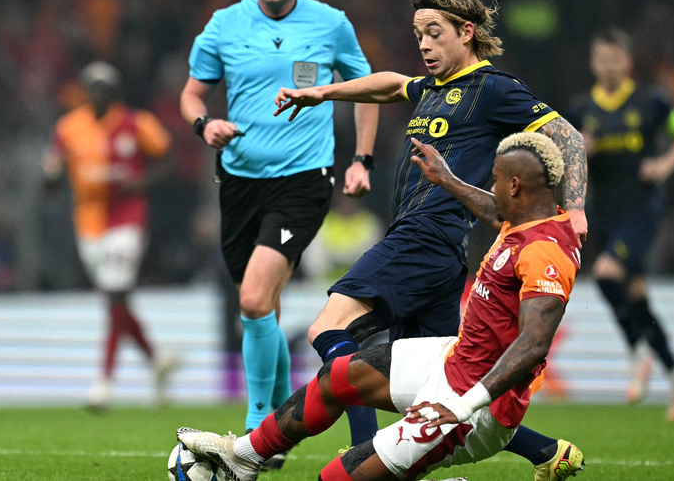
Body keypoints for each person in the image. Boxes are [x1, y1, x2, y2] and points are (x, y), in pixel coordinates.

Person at [272, 0, 587, 479]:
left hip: (425, 235)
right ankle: (545, 451)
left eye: (434, 33)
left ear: (467, 32)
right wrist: (322, 93)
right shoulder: (431, 89)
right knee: (435, 384)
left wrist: (576, 207)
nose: (423, 43)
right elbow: (389, 85)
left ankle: (357, 454)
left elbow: (567, 135)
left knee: (329, 331)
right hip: (442, 250)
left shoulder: (493, 89)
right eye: (419, 34)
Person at [177, 131, 584, 481]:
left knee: (333, 478)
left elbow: (533, 345)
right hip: (452, 359)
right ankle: (243, 457)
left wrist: (463, 405)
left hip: (475, 409)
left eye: (495, 179)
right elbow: (495, 211)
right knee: (337, 377)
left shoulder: (545, 253)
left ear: (515, 186)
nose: (491, 188)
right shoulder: (531, 218)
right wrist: (447, 180)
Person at [179, 0, 380, 455]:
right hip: (240, 182)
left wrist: (362, 159)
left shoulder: (330, 24)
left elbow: (368, 89)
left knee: (251, 299)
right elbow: (192, 94)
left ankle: (256, 428)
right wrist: (204, 125)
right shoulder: (224, 25)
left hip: (303, 181)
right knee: (261, 306)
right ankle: (280, 426)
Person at [566, 28, 674, 421]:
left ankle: (636, 350)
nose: (608, 66)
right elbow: (563, 156)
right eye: (602, 59)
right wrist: (579, 149)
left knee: (607, 275)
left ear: (628, 62)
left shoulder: (651, 102)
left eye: (615, 59)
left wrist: (665, 165)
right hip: (604, 211)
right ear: (593, 63)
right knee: (637, 296)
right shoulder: (580, 109)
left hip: (641, 208)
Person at [43, 61, 176, 410]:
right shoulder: (69, 127)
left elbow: (170, 159)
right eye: (93, 87)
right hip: (88, 223)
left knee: (115, 294)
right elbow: (50, 177)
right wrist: (51, 177)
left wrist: (142, 182)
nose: (98, 94)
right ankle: (157, 360)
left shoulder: (137, 123)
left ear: (115, 92)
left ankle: (104, 381)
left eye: (105, 88)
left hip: (127, 218)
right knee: (116, 300)